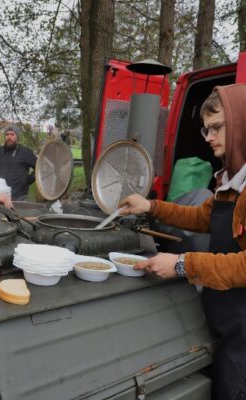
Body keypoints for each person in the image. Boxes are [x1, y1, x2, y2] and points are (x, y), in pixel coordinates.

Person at [119, 84, 246, 400]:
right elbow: (201, 217)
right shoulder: (229, 182)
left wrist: (180, 263)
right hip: (224, 320)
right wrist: (151, 206)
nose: (208, 136)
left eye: (216, 127)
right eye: (206, 128)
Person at [0, 125, 37, 201]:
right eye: (7, 134)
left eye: (12, 134)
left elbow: (38, 168)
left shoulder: (25, 152)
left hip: (19, 196)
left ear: (17, 137)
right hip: (0, 196)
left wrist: (26, 181)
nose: (9, 137)